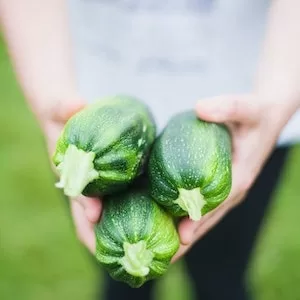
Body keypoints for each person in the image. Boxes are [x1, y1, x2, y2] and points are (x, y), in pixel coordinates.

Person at [1, 0, 300, 299]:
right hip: (95, 105)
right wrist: (50, 94)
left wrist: (276, 100)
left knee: (222, 273)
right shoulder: (84, 143)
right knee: (123, 281)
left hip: (248, 106)